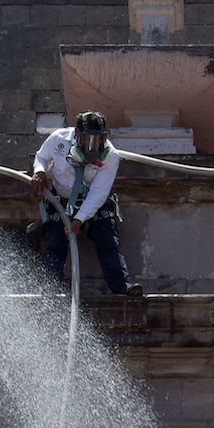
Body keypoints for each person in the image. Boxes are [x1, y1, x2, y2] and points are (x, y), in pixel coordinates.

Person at [31, 111, 141, 296]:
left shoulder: (110, 156)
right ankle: (50, 291)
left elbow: (99, 192)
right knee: (55, 243)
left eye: (97, 139)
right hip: (62, 203)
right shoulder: (59, 140)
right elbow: (42, 157)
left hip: (94, 205)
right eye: (87, 138)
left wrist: (79, 219)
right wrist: (39, 171)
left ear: (104, 137)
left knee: (107, 241)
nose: (92, 145)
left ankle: (122, 287)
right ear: (76, 133)